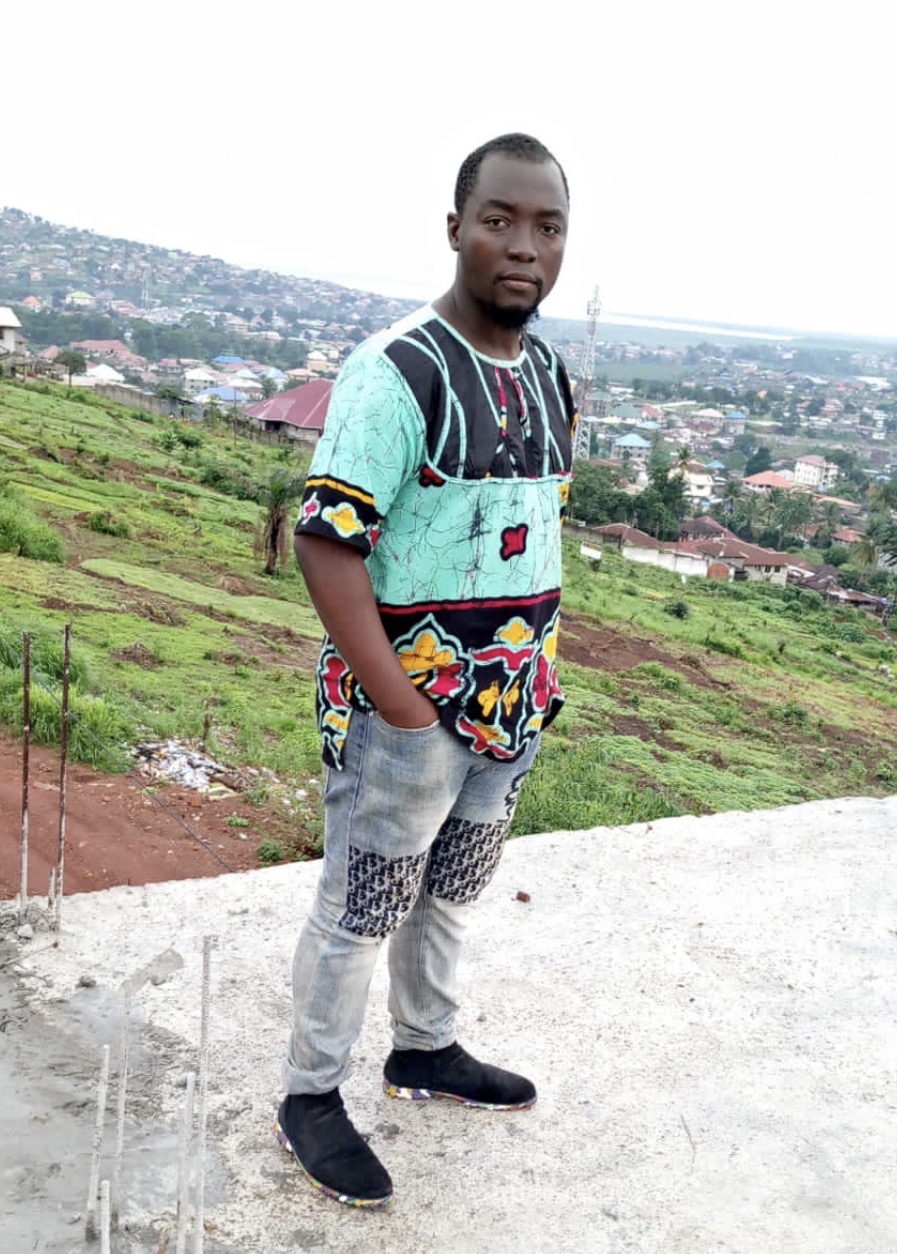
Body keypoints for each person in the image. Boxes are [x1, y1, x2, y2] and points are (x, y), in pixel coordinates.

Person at [278, 132, 575, 1208]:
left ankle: (425, 1048)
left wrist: (534, 677)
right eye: (500, 220)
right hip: (406, 714)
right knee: (363, 904)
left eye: (546, 227)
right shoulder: (397, 371)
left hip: (512, 706)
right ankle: (311, 1095)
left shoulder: (549, 374)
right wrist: (403, 710)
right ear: (456, 229)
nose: (523, 247)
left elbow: (529, 530)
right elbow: (327, 543)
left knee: (452, 888)